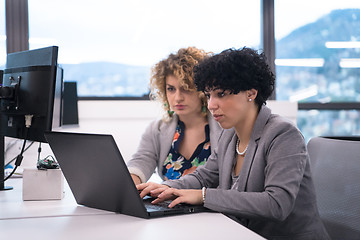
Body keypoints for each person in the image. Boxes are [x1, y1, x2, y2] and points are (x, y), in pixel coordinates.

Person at [137, 47, 330, 240]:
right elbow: (204, 176)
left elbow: (276, 204)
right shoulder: (229, 134)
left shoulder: (283, 134)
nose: (211, 104)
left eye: (221, 94)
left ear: (251, 93)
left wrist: (203, 196)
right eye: (209, 94)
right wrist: (168, 188)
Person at [127, 47, 222, 185]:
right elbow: (141, 161)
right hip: (168, 205)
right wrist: (128, 186)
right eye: (171, 89)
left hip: (210, 205)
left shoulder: (225, 127)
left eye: (186, 88)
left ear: (203, 90)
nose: (178, 98)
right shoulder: (157, 129)